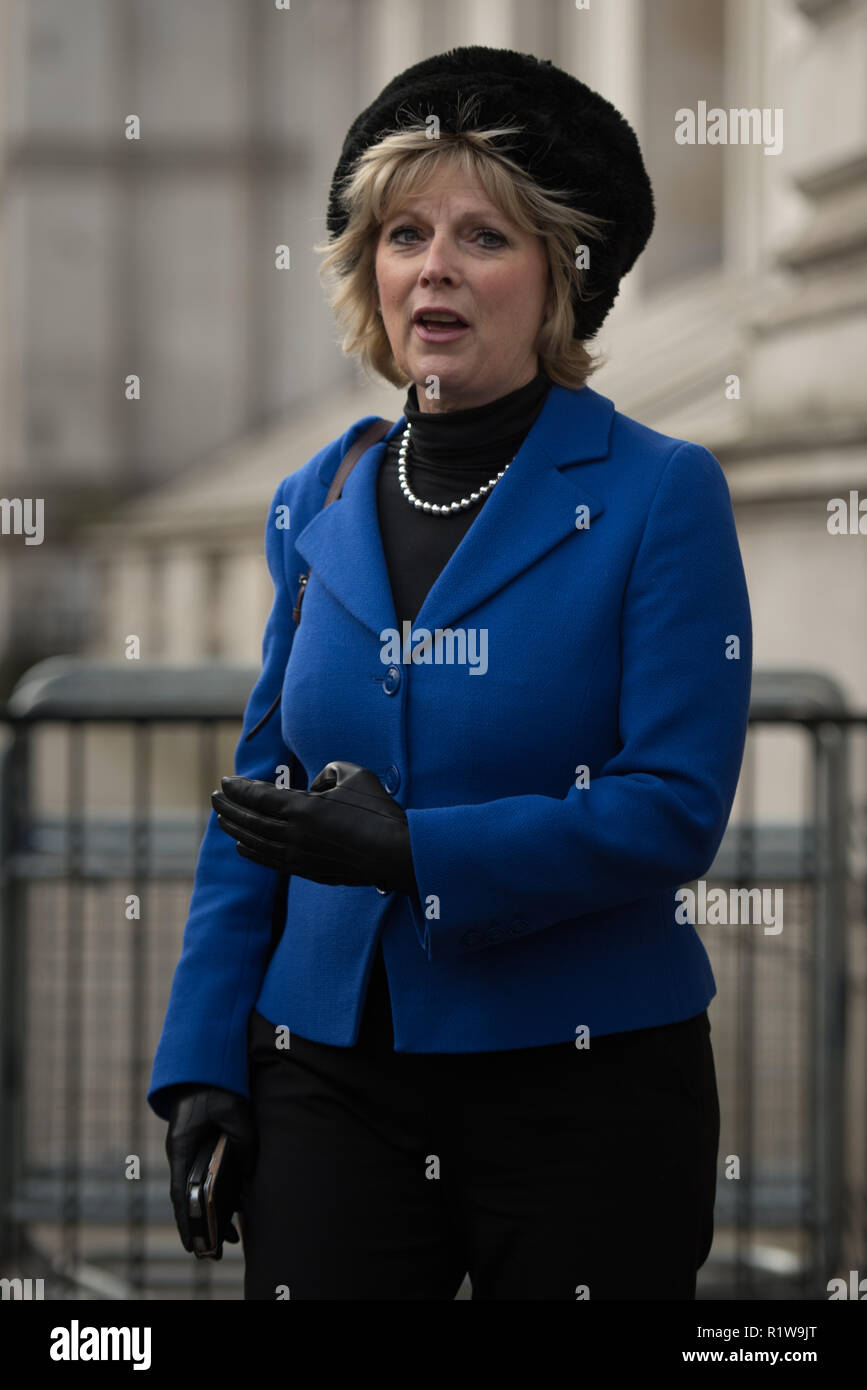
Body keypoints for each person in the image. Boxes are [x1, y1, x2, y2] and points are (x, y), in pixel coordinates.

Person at [148, 46, 752, 1301]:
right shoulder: (313, 495)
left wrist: (414, 851)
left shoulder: (659, 492)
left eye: (485, 236)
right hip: (327, 1071)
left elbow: (674, 807)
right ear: (370, 270)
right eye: (405, 231)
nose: (435, 265)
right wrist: (204, 1056)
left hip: (585, 1084)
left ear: (560, 280)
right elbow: (258, 803)